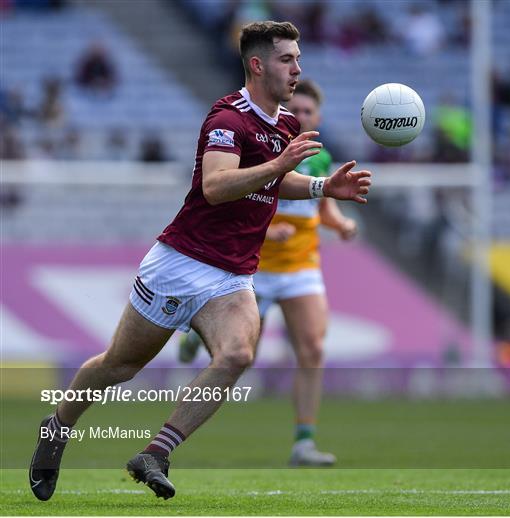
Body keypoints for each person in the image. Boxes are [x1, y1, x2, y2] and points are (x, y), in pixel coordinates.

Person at [29, 21, 372, 501]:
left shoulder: (287, 126)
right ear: (257, 65)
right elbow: (216, 186)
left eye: (297, 58)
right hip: (179, 264)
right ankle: (58, 425)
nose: (298, 68)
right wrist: (278, 166)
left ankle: (156, 452)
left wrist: (320, 186)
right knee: (119, 366)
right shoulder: (226, 119)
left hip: (232, 276)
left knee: (237, 354)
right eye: (287, 59)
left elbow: (274, 182)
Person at [179, 79, 357, 466]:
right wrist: (268, 227)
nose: (303, 117)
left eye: (310, 112)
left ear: (319, 118)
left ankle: (304, 442)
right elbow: (247, 193)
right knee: (240, 355)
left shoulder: (322, 160)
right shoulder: (266, 147)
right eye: (299, 111)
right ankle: (197, 329)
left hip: (301, 266)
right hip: (253, 266)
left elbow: (320, 205)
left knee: (312, 349)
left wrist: (340, 223)